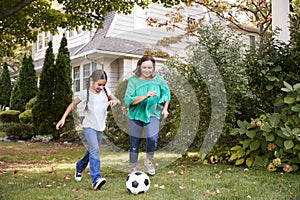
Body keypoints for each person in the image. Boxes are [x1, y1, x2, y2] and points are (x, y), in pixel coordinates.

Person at [56, 69, 120, 190]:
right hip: (89, 126)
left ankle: (79, 167)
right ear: (92, 81)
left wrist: (113, 101)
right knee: (95, 151)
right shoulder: (86, 93)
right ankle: (96, 179)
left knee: (92, 150)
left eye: (103, 85)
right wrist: (63, 119)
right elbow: (72, 105)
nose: (101, 87)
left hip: (100, 127)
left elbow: (117, 100)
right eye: (99, 84)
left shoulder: (106, 91)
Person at [124, 55, 171, 175]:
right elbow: (128, 100)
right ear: (140, 67)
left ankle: (148, 160)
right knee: (134, 142)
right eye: (144, 67)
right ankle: (133, 168)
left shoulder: (158, 79)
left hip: (153, 113)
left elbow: (167, 93)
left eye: (150, 67)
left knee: (152, 138)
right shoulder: (133, 81)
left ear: (153, 68)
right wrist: (146, 96)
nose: (147, 70)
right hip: (135, 115)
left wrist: (165, 109)